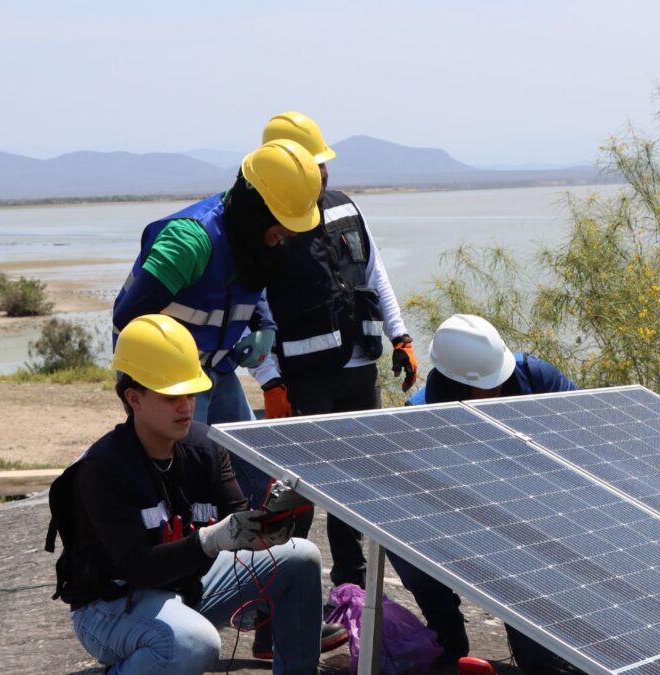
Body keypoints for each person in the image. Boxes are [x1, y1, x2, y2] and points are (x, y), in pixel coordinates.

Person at [45, 314, 342, 674]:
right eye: (171, 395)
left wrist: (266, 528)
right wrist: (209, 540)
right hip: (113, 605)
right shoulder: (102, 469)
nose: (185, 405)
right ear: (133, 398)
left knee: (300, 556)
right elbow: (137, 567)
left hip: (184, 585)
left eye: (189, 392)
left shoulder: (205, 448)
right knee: (195, 645)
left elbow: (237, 515)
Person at [253, 111, 417, 593]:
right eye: (312, 162)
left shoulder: (346, 208)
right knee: (293, 491)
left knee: (354, 487)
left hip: (358, 370)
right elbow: (255, 310)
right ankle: (279, 595)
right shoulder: (265, 229)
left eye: (323, 162)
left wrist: (400, 337)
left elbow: (375, 274)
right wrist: (271, 382)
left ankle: (352, 588)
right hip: (303, 380)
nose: (323, 172)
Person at [395, 314, 580, 674]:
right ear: (454, 382)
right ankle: (447, 640)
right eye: (487, 385)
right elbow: (415, 498)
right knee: (400, 537)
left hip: (544, 515)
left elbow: (588, 430)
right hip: (465, 521)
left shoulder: (535, 376)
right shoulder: (421, 416)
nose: (498, 387)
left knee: (542, 663)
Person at [112, 138, 321, 429]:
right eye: (285, 222)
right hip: (166, 380)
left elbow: (248, 278)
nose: (291, 233)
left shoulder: (248, 235)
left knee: (250, 460)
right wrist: (175, 384)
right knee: (185, 465)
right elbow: (127, 318)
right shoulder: (189, 243)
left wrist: (265, 326)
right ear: (258, 209)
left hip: (214, 366)